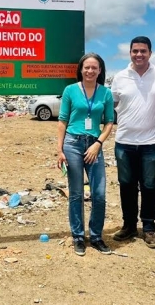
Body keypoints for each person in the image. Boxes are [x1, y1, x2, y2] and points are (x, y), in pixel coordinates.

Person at [111, 36, 155, 248]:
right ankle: (129, 225)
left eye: (143, 51)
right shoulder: (120, 77)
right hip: (124, 141)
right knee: (126, 186)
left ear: (150, 53)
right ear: (130, 53)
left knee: (150, 186)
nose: (139, 54)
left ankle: (148, 227)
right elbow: (114, 105)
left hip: (151, 142)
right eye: (135, 51)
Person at [57, 53, 114, 256]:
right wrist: (59, 150)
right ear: (80, 69)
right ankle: (78, 236)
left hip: (94, 146)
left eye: (94, 68)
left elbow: (109, 122)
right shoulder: (70, 90)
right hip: (72, 143)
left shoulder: (106, 93)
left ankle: (96, 236)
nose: (90, 71)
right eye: (86, 67)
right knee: (76, 194)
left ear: (100, 71)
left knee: (99, 193)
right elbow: (63, 120)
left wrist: (98, 143)